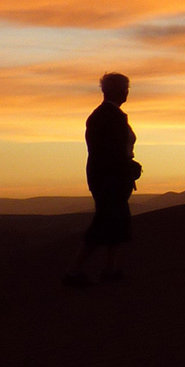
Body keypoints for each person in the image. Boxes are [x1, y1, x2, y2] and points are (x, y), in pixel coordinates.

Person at [64, 73, 140, 287]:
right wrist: (128, 167)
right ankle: (73, 271)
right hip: (110, 178)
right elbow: (110, 150)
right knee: (105, 221)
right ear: (116, 90)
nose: (127, 92)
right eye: (125, 88)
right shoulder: (109, 116)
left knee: (115, 220)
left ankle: (110, 269)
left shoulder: (106, 115)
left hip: (109, 175)